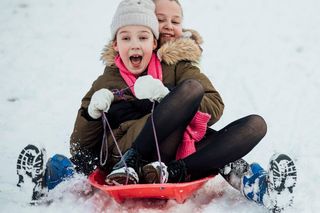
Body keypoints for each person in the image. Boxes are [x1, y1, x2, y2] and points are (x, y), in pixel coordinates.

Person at [16, 0, 297, 212]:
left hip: (176, 156)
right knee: (78, 167)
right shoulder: (112, 74)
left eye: (176, 20)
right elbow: (83, 147)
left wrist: (168, 99)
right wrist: (93, 115)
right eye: (161, 19)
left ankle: (258, 185)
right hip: (127, 153)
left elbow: (213, 104)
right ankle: (53, 178)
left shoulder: (181, 66)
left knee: (250, 124)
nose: (169, 26)